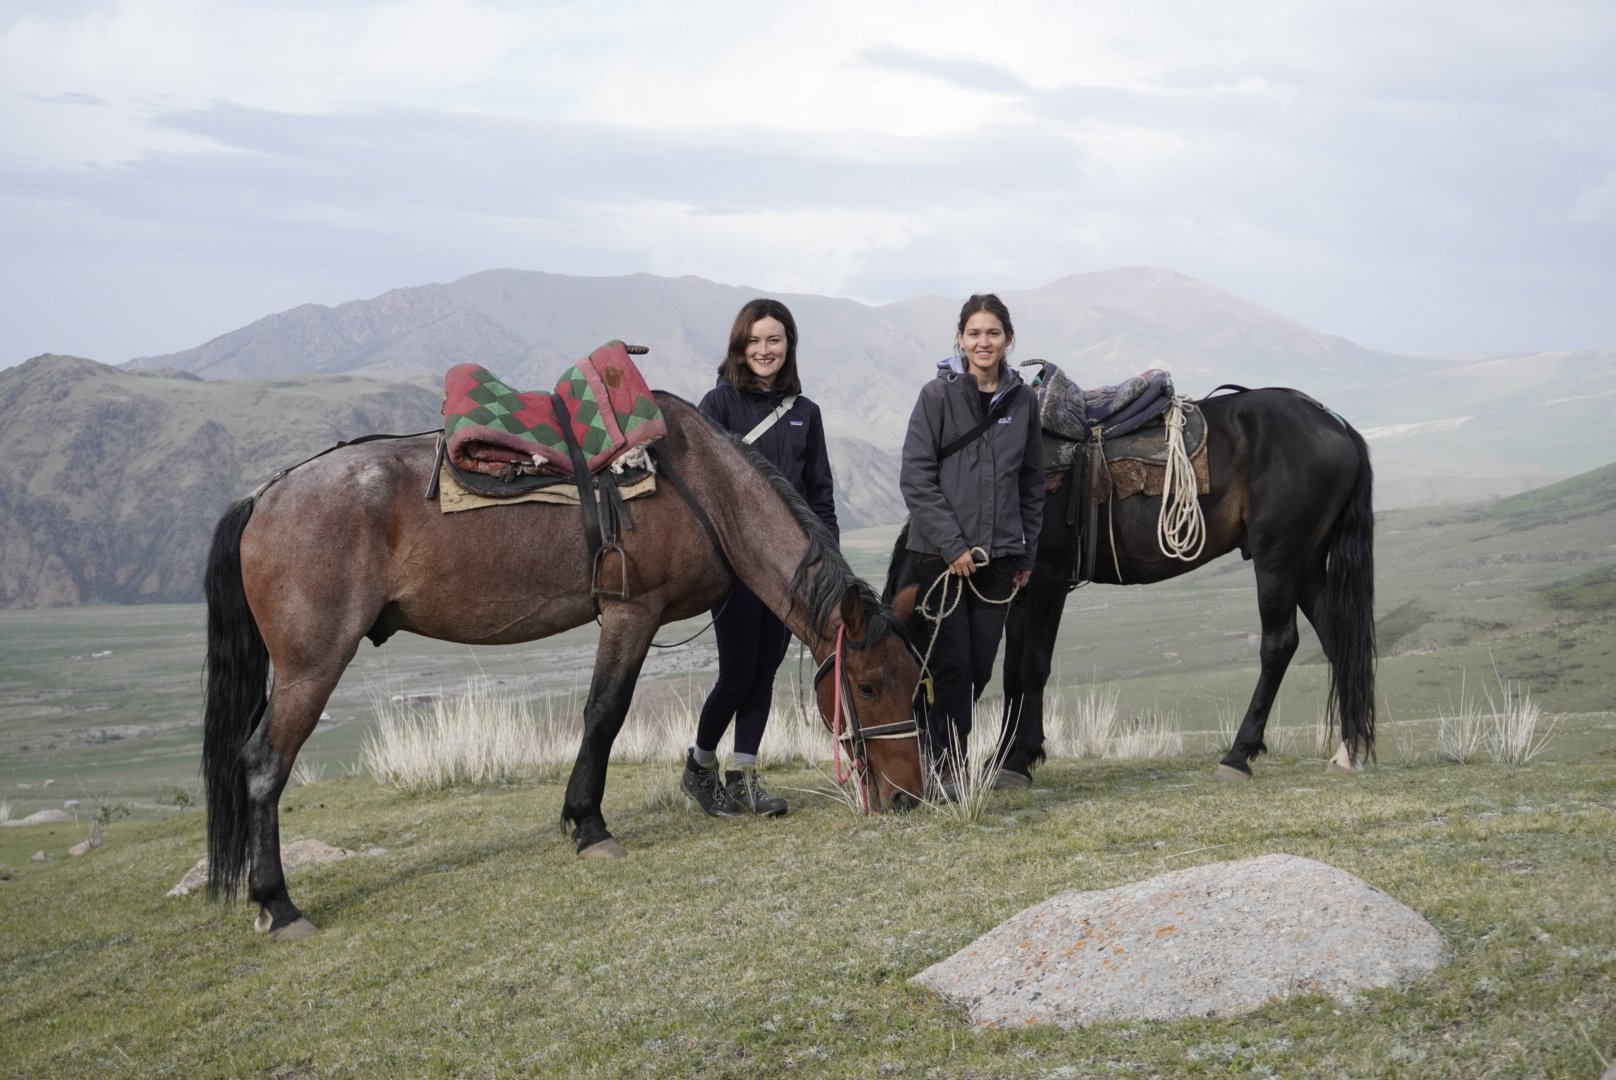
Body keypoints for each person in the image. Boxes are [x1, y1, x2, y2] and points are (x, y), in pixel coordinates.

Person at [681, 298, 839, 818]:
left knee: (765, 671)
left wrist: (829, 565)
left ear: (788, 345)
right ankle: (699, 769)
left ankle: (744, 775)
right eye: (754, 340)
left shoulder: (806, 414)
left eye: (774, 340)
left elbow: (820, 496)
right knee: (736, 672)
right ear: (739, 345)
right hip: (734, 570)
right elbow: (697, 492)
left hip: (790, 571)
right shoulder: (718, 405)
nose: (764, 349)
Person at [898, 293, 1044, 797]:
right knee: (951, 667)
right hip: (938, 559)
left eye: (993, 333)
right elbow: (916, 479)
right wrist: (954, 544)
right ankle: (947, 770)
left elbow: (1031, 483)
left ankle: (938, 757)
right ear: (959, 339)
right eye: (974, 333)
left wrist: (1025, 555)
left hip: (998, 562)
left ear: (1008, 339)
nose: (984, 342)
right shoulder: (936, 398)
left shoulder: (1023, 402)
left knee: (980, 668)